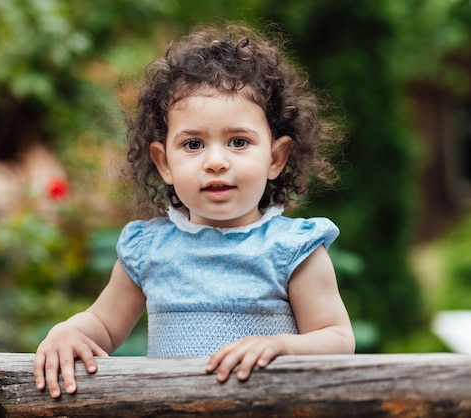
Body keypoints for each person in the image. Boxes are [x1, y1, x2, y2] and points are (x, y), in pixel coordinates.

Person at [34, 23, 355, 398]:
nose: (215, 161)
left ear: (276, 157)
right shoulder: (148, 249)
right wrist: (69, 331)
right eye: (192, 144)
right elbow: (103, 325)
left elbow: (336, 338)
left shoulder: (292, 249)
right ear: (163, 163)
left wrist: (284, 347)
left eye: (238, 141)